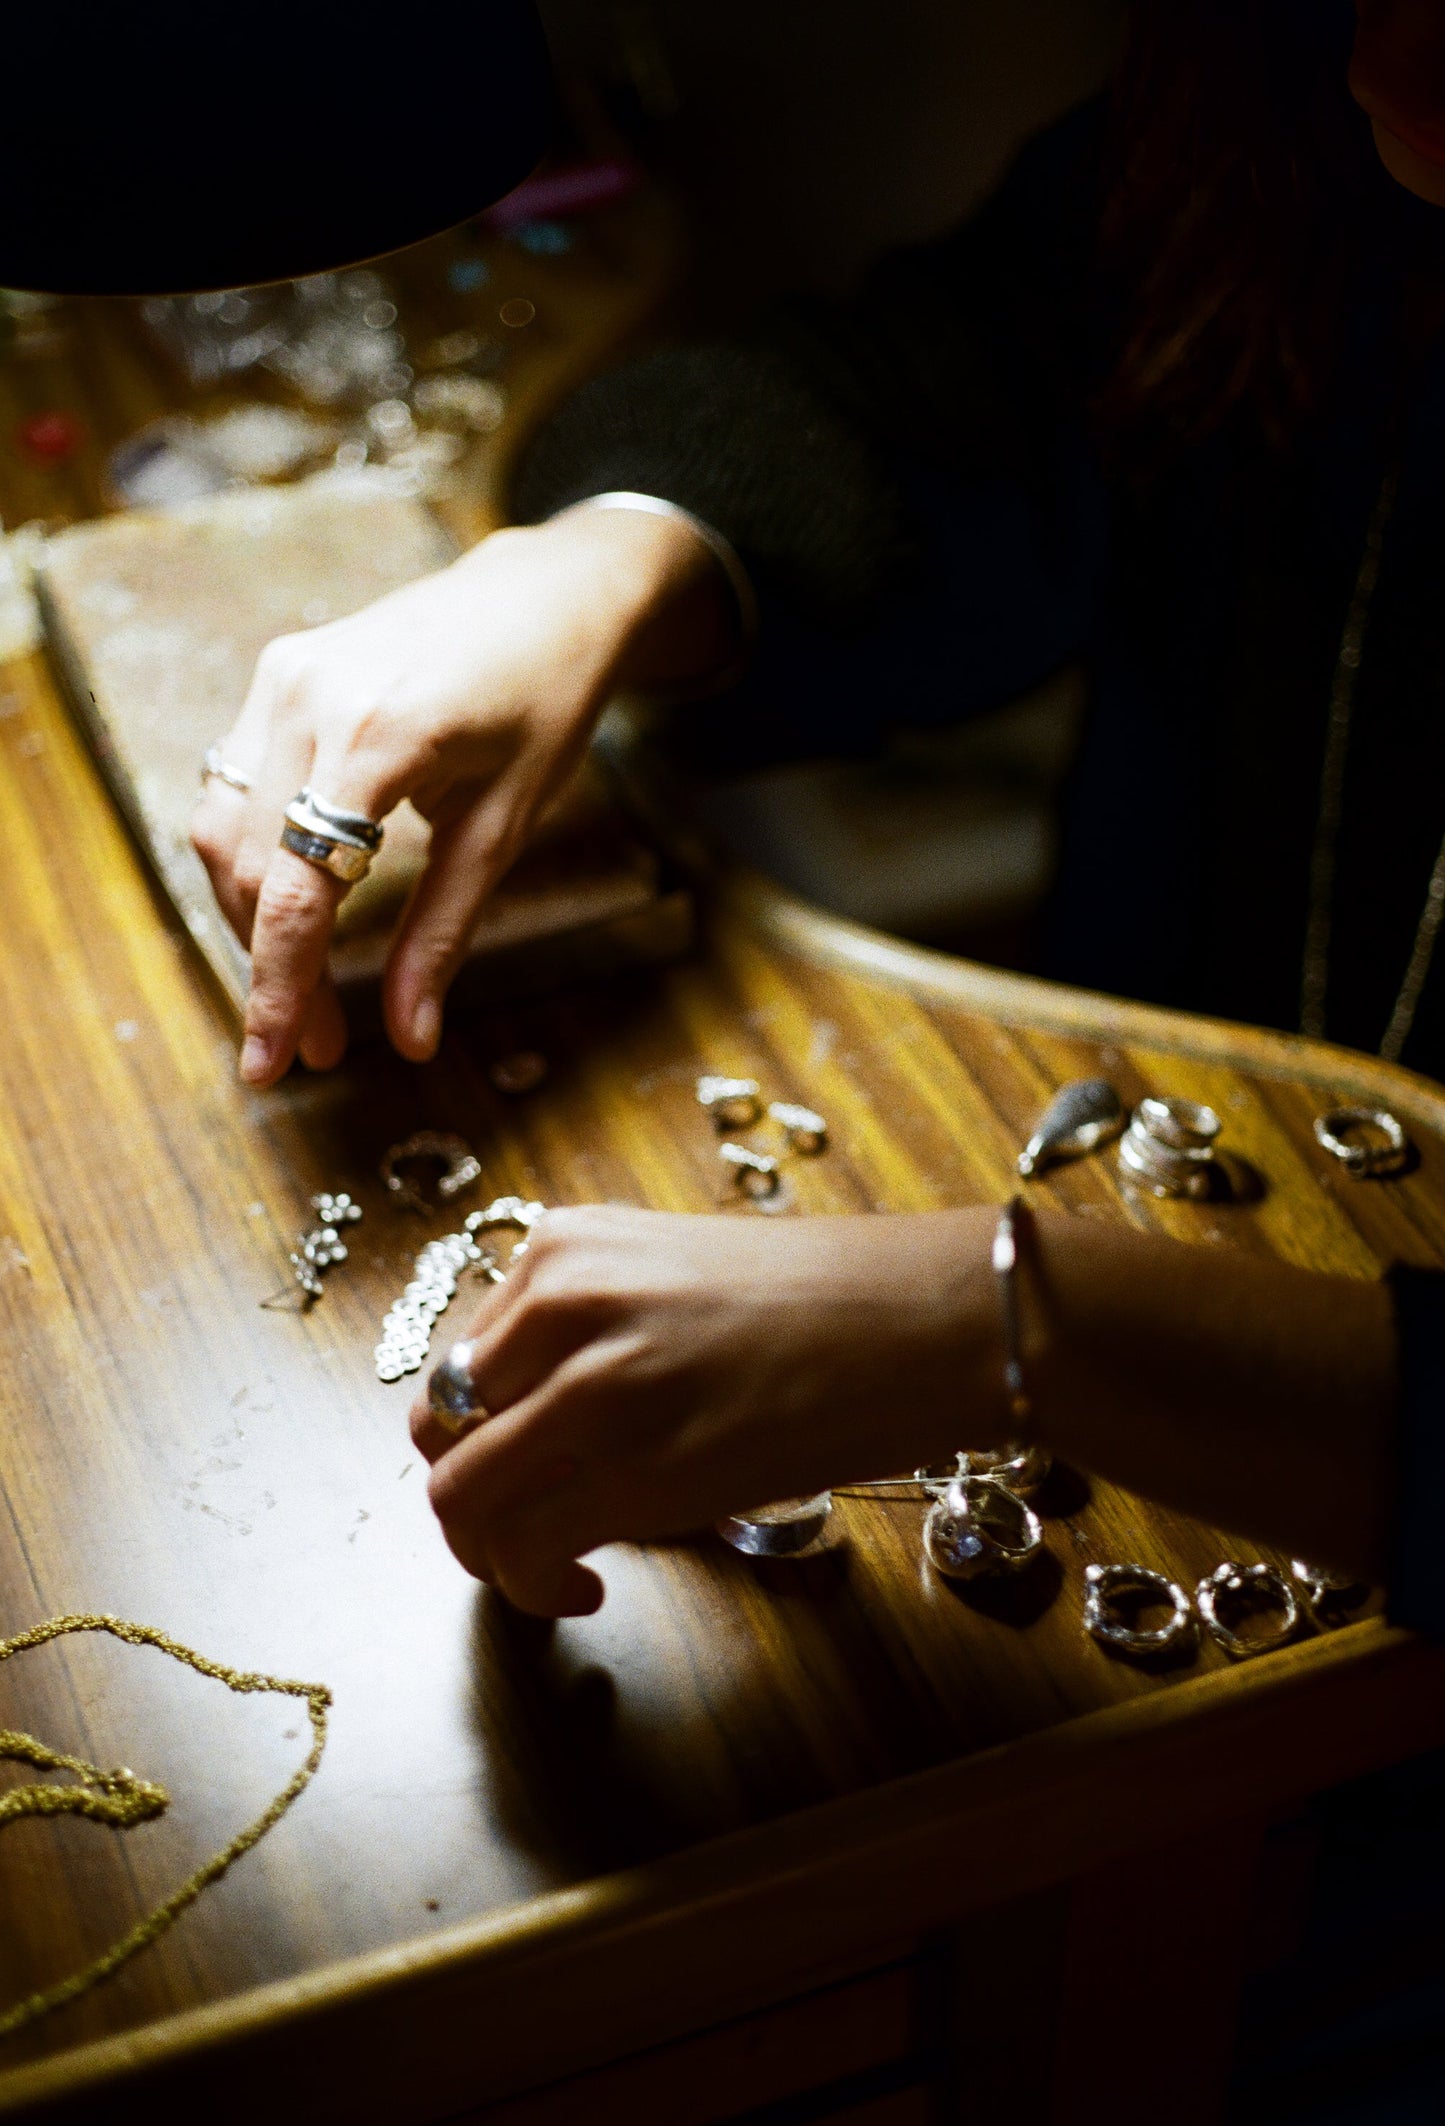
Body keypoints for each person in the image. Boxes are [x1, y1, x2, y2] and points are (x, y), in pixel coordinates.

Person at [195, 0, 1445, 1626]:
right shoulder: (1305, 133)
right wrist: (614, 556)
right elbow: (974, 379)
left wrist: (1021, 1326)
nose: (1380, 59)